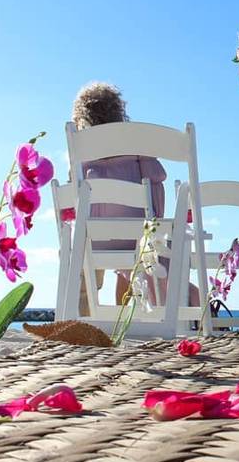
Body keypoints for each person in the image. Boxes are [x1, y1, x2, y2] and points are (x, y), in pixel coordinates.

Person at [71, 82, 167, 314]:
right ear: (119, 111)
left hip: (93, 238)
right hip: (136, 235)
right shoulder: (135, 142)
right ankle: (121, 316)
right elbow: (157, 176)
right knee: (133, 261)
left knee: (85, 268)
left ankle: (82, 321)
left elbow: (76, 188)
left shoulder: (81, 147)